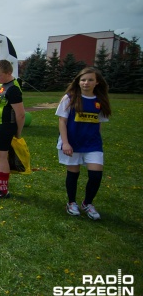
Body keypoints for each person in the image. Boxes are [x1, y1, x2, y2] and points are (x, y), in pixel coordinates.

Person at [56, 67, 111, 220]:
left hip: (92, 144)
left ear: (97, 82)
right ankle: (71, 202)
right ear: (78, 82)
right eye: (83, 80)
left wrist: (95, 140)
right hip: (72, 143)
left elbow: (99, 123)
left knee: (96, 175)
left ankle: (87, 203)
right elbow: (62, 121)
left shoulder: (100, 101)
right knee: (73, 173)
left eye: (90, 80)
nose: (86, 83)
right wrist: (65, 143)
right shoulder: (70, 98)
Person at [0, 59, 25, 199]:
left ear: (9, 73)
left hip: (4, 125)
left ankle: (2, 190)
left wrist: (18, 132)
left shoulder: (13, 88)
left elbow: (20, 114)